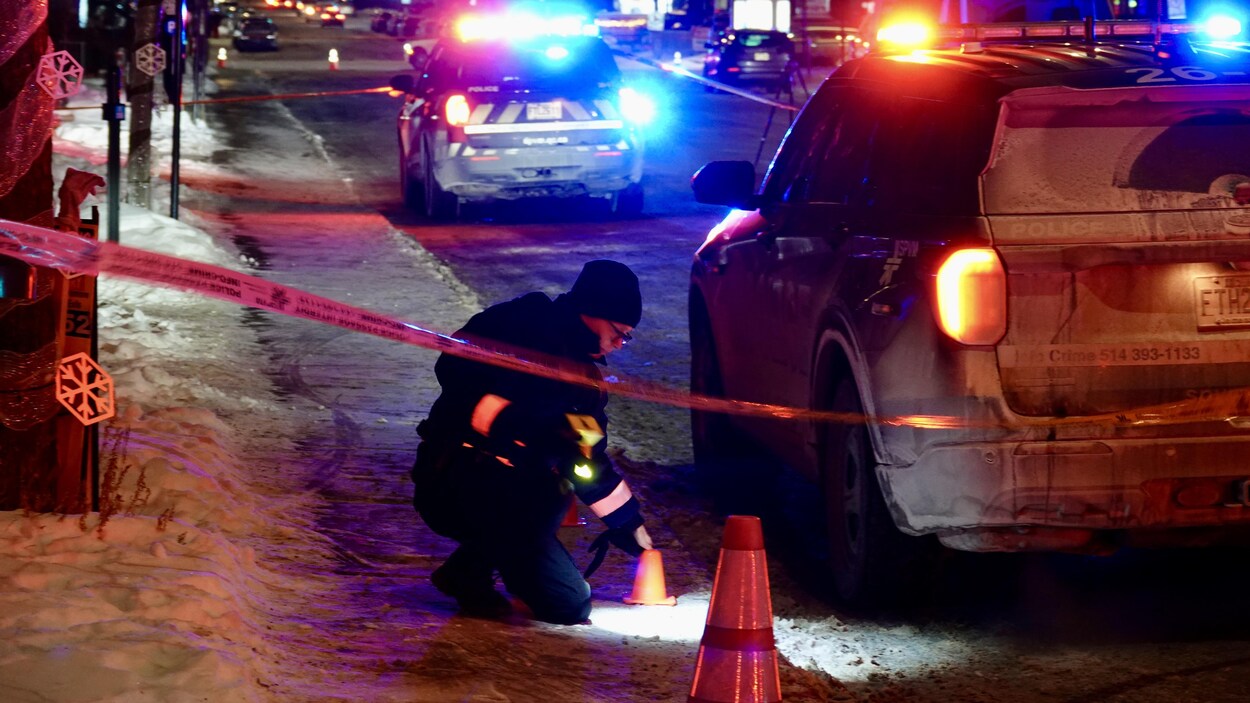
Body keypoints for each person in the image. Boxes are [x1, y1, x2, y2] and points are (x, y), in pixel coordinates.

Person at [411, 260, 653, 624]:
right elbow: (454, 368)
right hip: (453, 479)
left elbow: (587, 458)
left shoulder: (584, 384)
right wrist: (526, 418)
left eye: (626, 337)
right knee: (546, 493)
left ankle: (487, 561)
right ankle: (470, 572)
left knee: (570, 605)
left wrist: (627, 522)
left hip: (517, 504)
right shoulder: (517, 323)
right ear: (591, 311)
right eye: (619, 332)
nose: (619, 344)